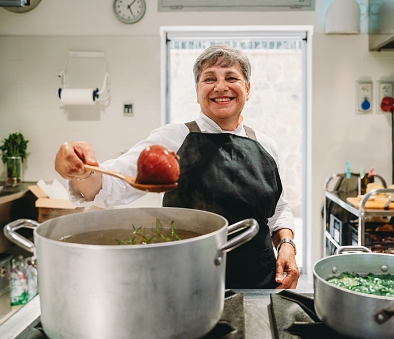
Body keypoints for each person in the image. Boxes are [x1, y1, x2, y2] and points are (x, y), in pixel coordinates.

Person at [55, 44, 300, 289]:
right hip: (187, 282)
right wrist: (82, 170)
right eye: (209, 78)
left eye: (232, 78)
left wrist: (287, 245)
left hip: (259, 282)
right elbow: (110, 185)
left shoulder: (265, 146)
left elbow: (279, 209)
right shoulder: (174, 137)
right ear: (197, 93)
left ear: (247, 89)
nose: (221, 86)